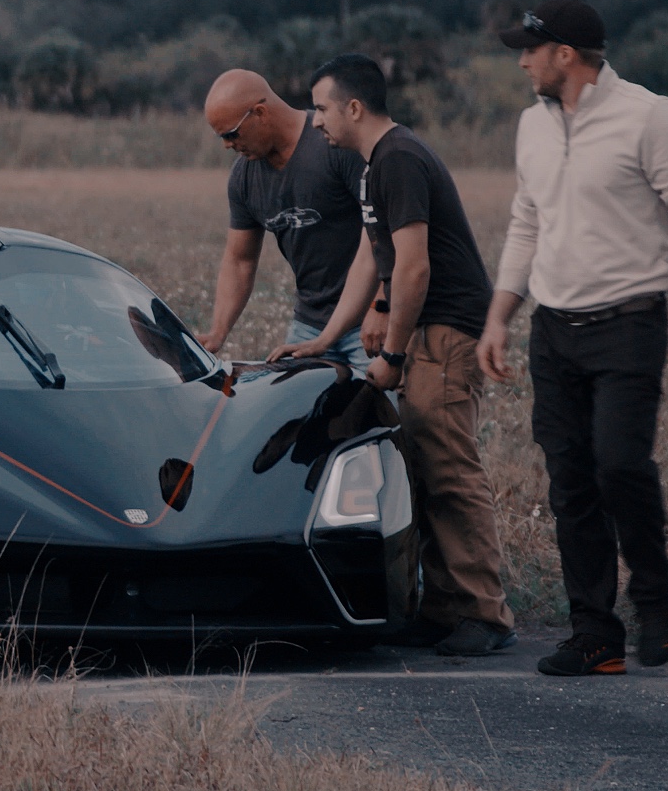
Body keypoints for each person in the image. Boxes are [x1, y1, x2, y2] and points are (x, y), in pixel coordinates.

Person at [479, 0, 668, 677]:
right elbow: (526, 222)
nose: (522, 60)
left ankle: (656, 595)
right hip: (553, 329)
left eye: (530, 49)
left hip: (628, 322)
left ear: (566, 54)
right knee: (572, 483)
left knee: (620, 464)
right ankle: (596, 635)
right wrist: (501, 314)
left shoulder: (649, 116)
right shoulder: (532, 125)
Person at [282, 53, 517, 656]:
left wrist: (392, 351)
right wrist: (327, 333)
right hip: (423, 333)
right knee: (419, 467)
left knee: (449, 469)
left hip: (446, 333)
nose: (314, 123)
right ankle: (441, 609)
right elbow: (372, 257)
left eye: (321, 108)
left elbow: (413, 268)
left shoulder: (400, 160)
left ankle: (484, 615)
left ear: (353, 108)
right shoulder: (372, 166)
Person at [196, 69, 370, 372]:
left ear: (260, 113)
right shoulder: (243, 178)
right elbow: (240, 260)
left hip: (368, 321)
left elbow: (387, 233)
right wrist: (217, 333)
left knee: (392, 413)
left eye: (231, 134)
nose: (227, 145)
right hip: (310, 326)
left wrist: (384, 308)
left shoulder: (335, 144)